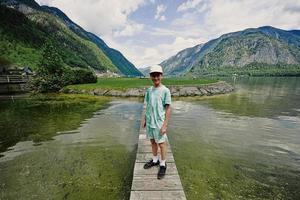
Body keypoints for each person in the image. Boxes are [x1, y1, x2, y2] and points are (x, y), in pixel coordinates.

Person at [142, 64, 171, 180]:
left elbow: (168, 108)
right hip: (150, 121)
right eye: (153, 75)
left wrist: (165, 125)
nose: (155, 78)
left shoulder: (165, 90)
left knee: (162, 144)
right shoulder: (149, 90)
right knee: (153, 141)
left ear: (161, 76)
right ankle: (155, 160)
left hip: (159, 122)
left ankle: (163, 164)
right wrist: (145, 119)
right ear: (150, 76)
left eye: (157, 75)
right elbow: (148, 105)